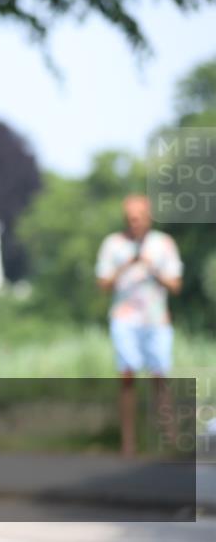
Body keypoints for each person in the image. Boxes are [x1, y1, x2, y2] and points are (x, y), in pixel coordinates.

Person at [95, 194, 182, 457]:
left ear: (148, 218)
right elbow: (102, 285)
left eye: (139, 218)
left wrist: (151, 269)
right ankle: (129, 444)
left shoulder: (164, 244)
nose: (135, 223)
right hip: (125, 318)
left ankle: (170, 439)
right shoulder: (112, 244)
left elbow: (176, 285)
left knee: (160, 377)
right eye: (130, 219)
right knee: (127, 376)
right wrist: (127, 265)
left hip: (157, 320)